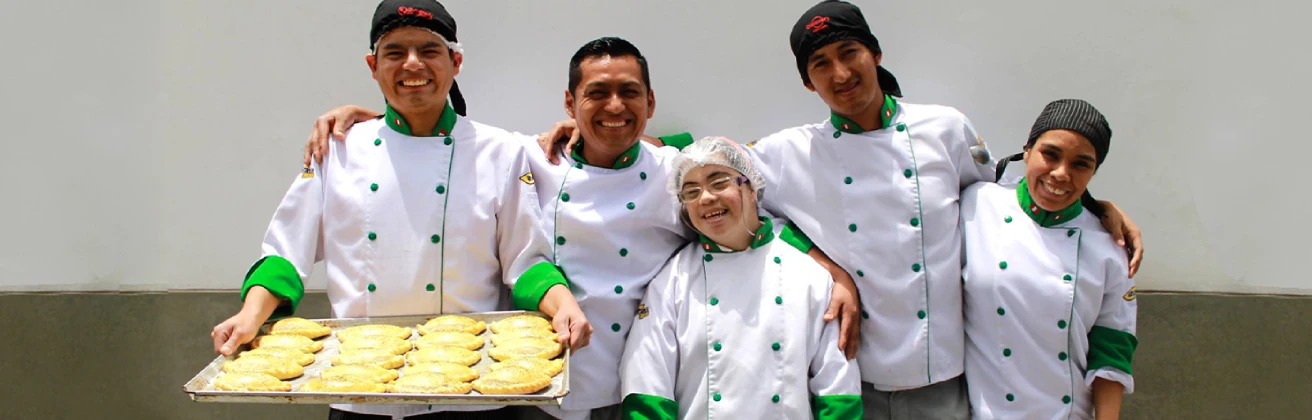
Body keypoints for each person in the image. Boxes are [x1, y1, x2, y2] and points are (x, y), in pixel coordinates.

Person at [299, 35, 864, 420]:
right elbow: (443, 142)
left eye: (629, 94)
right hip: (538, 387)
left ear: (650, 104)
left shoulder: (676, 170)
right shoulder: (530, 159)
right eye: (597, 94)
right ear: (570, 101)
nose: (613, 107)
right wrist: (377, 119)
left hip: (636, 385)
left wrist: (830, 271)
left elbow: (747, 215)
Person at [737, 1, 1145, 418]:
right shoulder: (788, 152)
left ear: (875, 55)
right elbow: (720, 187)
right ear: (809, 83)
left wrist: (1094, 207)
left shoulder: (945, 129)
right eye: (821, 63)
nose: (840, 73)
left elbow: (1010, 199)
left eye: (849, 52)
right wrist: (828, 267)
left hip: (942, 383)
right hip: (850, 378)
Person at [208, 1, 590, 418]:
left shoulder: (499, 151)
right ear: (373, 65)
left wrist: (563, 304)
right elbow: (285, 254)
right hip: (360, 389)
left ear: (455, 61)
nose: (412, 64)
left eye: (429, 50)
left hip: (475, 393)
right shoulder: (337, 150)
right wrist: (250, 315)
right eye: (395, 52)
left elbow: (527, 261)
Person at [619, 136, 862, 420]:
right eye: (691, 191)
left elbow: (838, 388)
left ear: (751, 188)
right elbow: (647, 385)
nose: (706, 198)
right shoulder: (672, 281)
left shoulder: (810, 276)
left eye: (719, 182)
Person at [961, 99, 1137, 420]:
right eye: (1050, 155)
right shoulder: (976, 205)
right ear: (1027, 150)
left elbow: (1112, 351)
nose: (1060, 174)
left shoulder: (1110, 247)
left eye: (1080, 164)